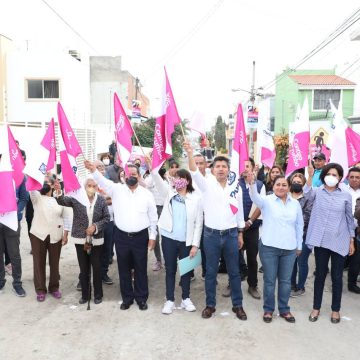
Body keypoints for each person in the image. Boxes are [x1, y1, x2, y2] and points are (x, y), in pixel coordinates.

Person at [184, 141, 247, 321]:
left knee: (234, 272)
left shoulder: (236, 187)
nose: (220, 169)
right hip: (211, 235)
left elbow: (240, 211)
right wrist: (190, 153)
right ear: (213, 170)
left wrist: (240, 233)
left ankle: (238, 305)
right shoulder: (206, 185)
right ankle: (210, 305)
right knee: (210, 272)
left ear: (228, 170)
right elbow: (194, 172)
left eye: (224, 166)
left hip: (231, 235)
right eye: (217, 166)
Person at [84, 161, 158, 311]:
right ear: (123, 176)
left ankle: (141, 298)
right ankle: (127, 298)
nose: (131, 176)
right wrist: (93, 170)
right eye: (128, 174)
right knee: (123, 268)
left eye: (134, 174)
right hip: (122, 237)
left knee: (140, 268)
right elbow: (101, 181)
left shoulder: (147, 194)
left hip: (141, 237)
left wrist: (153, 236)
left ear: (139, 176)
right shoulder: (116, 190)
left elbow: (153, 217)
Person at [248, 172, 303, 323]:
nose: (281, 187)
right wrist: (252, 183)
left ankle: (284, 309)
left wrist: (299, 245)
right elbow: (255, 198)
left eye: (284, 185)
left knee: (285, 282)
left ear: (289, 187)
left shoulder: (295, 204)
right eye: (278, 184)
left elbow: (299, 225)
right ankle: (268, 310)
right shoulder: (266, 201)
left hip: (289, 249)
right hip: (269, 247)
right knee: (270, 280)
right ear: (273, 186)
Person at [306, 163, 355, 324]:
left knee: (337, 277)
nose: (332, 177)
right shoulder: (317, 192)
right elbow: (305, 196)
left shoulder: (346, 195)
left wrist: (351, 240)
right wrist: (310, 177)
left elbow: (349, 219)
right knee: (320, 275)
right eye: (329, 174)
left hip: (339, 240)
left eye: (335, 175)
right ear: (324, 175)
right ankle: (316, 307)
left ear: (340, 178)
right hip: (321, 241)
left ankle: (335, 309)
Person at [151, 167, 203, 314]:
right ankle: (170, 300)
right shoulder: (169, 193)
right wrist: (153, 167)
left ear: (187, 181)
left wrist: (195, 245)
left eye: (181, 178)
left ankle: (186, 298)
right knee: (170, 270)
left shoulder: (196, 198)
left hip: (186, 242)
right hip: (169, 239)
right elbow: (156, 179)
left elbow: (198, 223)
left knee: (186, 271)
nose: (178, 180)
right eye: (176, 178)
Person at [55, 178, 110, 305]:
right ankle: (85, 295)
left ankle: (98, 295)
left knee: (96, 267)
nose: (91, 188)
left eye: (94, 186)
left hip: (96, 239)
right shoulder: (77, 198)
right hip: (80, 239)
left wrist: (95, 226)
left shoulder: (101, 199)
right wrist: (58, 192)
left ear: (97, 187)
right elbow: (63, 201)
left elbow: (106, 218)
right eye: (89, 185)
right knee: (83, 268)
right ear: (85, 187)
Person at [29, 179, 65, 301]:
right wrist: (34, 177)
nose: (46, 184)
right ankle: (40, 289)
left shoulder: (58, 198)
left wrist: (65, 234)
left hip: (56, 235)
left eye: (49, 182)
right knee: (39, 262)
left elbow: (66, 215)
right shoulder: (37, 197)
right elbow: (31, 187)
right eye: (44, 182)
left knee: (54, 263)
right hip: (39, 234)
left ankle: (54, 287)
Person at [0, 176, 28, 297]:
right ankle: (1, 281)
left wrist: (15, 213)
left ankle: (17, 283)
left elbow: (23, 198)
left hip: (12, 222)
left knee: (14, 254)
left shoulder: (19, 175)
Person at [289, 173, 314, 297]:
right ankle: (292, 284)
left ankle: (301, 286)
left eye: (299, 182)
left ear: (303, 184)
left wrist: (290, 220)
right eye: (295, 181)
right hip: (288, 236)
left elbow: (307, 216)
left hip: (304, 235)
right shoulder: (286, 196)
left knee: (302, 261)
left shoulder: (308, 198)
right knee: (291, 261)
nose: (296, 184)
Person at [144, 166, 168, 271]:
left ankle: (168, 260)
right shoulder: (150, 178)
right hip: (154, 209)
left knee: (167, 236)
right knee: (155, 236)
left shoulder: (168, 178)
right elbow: (143, 186)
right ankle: (158, 260)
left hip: (167, 209)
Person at [346, 167, 360, 293]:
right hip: (343, 229)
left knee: (356, 259)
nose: (354, 179)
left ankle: (352, 283)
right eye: (352, 177)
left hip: (358, 230)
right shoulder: (342, 190)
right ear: (347, 178)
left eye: (357, 177)